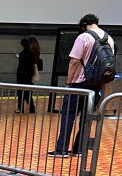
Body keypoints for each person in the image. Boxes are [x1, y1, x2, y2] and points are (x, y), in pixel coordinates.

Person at [49, 13, 114, 158]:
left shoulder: (83, 37)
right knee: (86, 117)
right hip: (96, 84)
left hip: (79, 83)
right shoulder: (108, 38)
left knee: (69, 115)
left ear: (84, 24)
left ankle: (62, 149)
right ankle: (79, 149)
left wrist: (69, 82)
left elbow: (74, 61)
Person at [15, 36, 41, 114]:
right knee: (28, 92)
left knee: (21, 92)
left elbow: (22, 66)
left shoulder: (24, 54)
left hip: (22, 75)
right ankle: (31, 108)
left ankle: (20, 108)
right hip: (29, 75)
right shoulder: (34, 54)